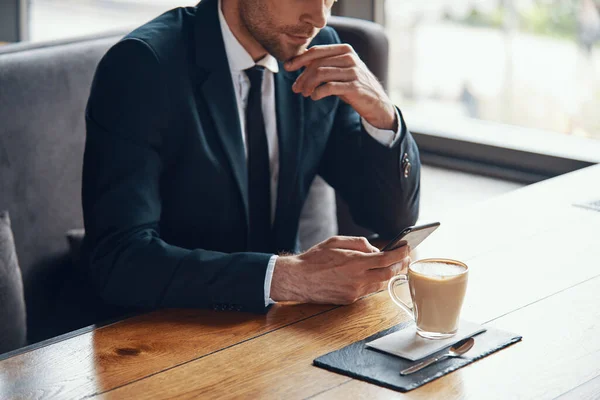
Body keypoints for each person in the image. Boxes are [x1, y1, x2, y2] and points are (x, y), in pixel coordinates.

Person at [81, 0, 421, 314]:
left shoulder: (317, 57)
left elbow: (391, 219)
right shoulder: (142, 66)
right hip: (167, 335)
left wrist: (382, 113)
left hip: (285, 329)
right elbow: (118, 261)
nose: (318, 17)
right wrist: (289, 277)